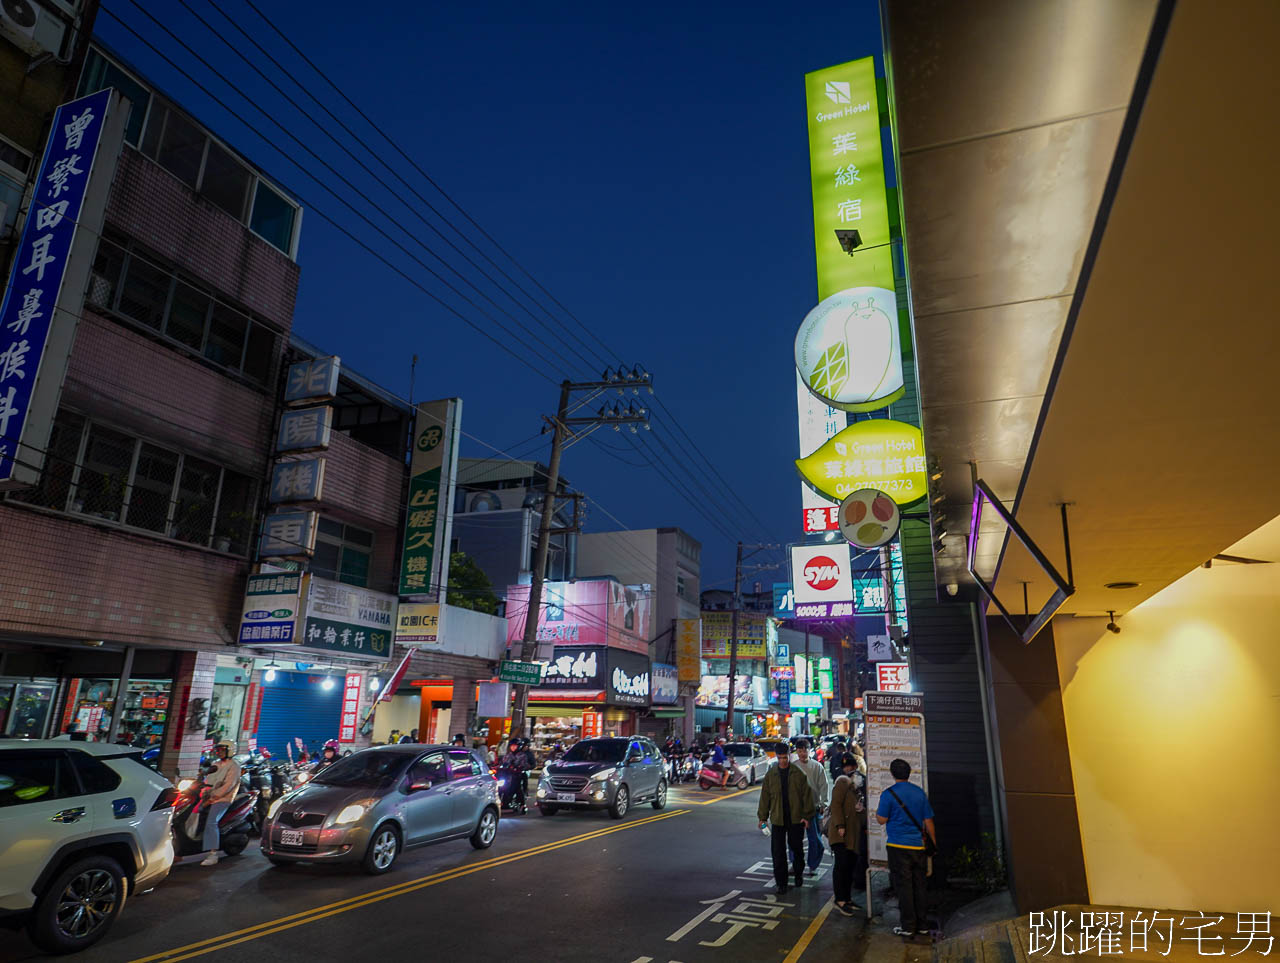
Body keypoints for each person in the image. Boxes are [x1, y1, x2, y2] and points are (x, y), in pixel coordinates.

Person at [875, 758, 937, 939]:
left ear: (893, 774)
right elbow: (929, 822)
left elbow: (881, 819)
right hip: (918, 847)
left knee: (904, 888)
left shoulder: (888, 794)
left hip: (897, 846)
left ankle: (908, 926)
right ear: (909, 773)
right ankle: (923, 925)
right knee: (920, 885)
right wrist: (933, 844)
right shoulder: (919, 793)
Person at [756, 748, 816, 894]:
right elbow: (765, 798)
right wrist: (762, 818)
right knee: (778, 852)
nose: (783, 761)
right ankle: (781, 882)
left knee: (797, 850)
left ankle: (798, 874)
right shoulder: (771, 775)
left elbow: (807, 796)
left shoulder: (798, 774)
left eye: (785, 757)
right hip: (778, 819)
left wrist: (806, 816)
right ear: (777, 757)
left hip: (795, 819)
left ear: (789, 756)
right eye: (780, 758)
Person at [827, 751, 866, 916]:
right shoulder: (842, 782)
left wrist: (862, 810)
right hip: (840, 834)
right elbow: (835, 805)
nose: (849, 769)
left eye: (851, 766)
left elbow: (859, 812)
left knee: (850, 866)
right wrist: (840, 825)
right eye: (846, 767)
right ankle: (840, 900)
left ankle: (847, 898)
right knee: (841, 866)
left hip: (852, 834)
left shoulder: (857, 788)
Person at [200, 742, 241, 867]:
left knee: (211, 821)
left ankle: (213, 854)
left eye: (222, 750)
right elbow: (208, 781)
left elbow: (229, 785)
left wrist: (214, 796)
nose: (219, 752)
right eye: (218, 750)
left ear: (230, 751)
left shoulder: (234, 766)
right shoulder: (215, 765)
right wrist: (203, 790)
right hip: (210, 797)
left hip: (223, 799)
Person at [793, 740, 830, 876]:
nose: (802, 753)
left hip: (813, 808)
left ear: (810, 751)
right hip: (796, 809)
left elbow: (824, 786)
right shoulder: (793, 767)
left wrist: (823, 803)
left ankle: (813, 865)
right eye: (800, 750)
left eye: (805, 750)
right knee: (794, 838)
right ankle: (795, 863)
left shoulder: (817, 767)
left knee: (815, 839)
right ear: (796, 751)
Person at [498, 738, 531, 809]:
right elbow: (503, 764)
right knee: (500, 787)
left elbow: (524, 765)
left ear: (518, 746)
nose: (513, 747)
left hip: (517, 775)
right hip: (506, 775)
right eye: (511, 746)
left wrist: (518, 767)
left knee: (517, 787)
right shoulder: (507, 755)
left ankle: (522, 804)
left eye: (515, 746)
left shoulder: (522, 755)